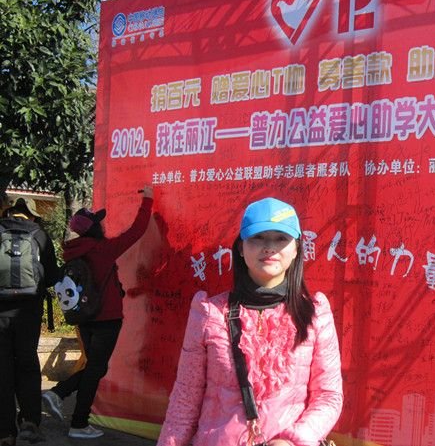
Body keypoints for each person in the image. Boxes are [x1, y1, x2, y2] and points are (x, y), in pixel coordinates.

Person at [157, 197, 342, 446]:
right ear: (241, 248)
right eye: (258, 237)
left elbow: (328, 397)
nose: (269, 247)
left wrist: (293, 440)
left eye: (281, 238)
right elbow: (184, 401)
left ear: (296, 249)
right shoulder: (209, 312)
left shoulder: (315, 313)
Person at [41, 186, 154, 439]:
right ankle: (72, 414)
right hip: (107, 319)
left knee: (95, 368)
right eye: (98, 222)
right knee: (96, 369)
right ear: (93, 228)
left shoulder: (71, 251)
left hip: (85, 318)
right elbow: (136, 231)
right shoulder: (102, 250)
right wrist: (148, 200)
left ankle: (67, 407)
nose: (102, 225)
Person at [0, 198, 59, 446]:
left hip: (0, 313)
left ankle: (5, 432)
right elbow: (52, 276)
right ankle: (30, 423)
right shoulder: (40, 235)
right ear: (32, 215)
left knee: (2, 368)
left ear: (10, 212)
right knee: (27, 363)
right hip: (29, 313)